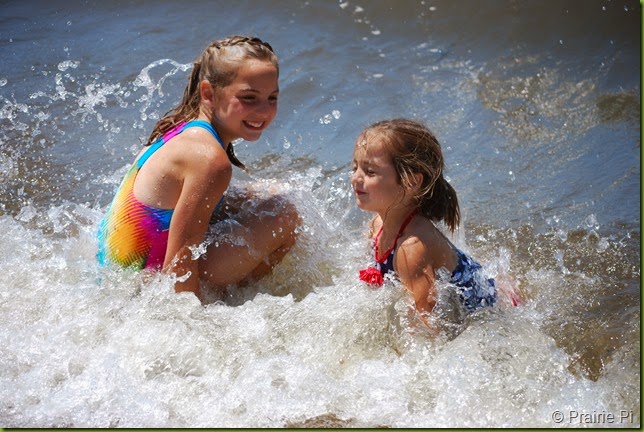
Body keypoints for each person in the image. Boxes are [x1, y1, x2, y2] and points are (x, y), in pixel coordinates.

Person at [97, 35, 299, 300]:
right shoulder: (209, 160)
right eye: (249, 97)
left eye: (272, 98)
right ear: (208, 93)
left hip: (112, 275)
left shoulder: (179, 127)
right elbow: (178, 264)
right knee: (285, 214)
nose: (264, 111)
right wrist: (193, 317)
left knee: (269, 193)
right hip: (143, 289)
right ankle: (229, 300)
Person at [351, 118, 521, 317]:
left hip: (495, 308)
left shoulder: (411, 249)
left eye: (370, 172)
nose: (355, 178)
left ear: (410, 182)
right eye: (354, 168)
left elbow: (427, 326)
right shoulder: (377, 225)